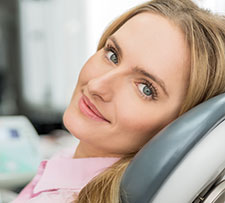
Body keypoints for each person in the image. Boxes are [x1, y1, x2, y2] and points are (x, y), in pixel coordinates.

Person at [13, 0, 225, 202]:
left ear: (180, 127)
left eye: (145, 89)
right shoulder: (68, 168)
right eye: (113, 55)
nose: (97, 86)